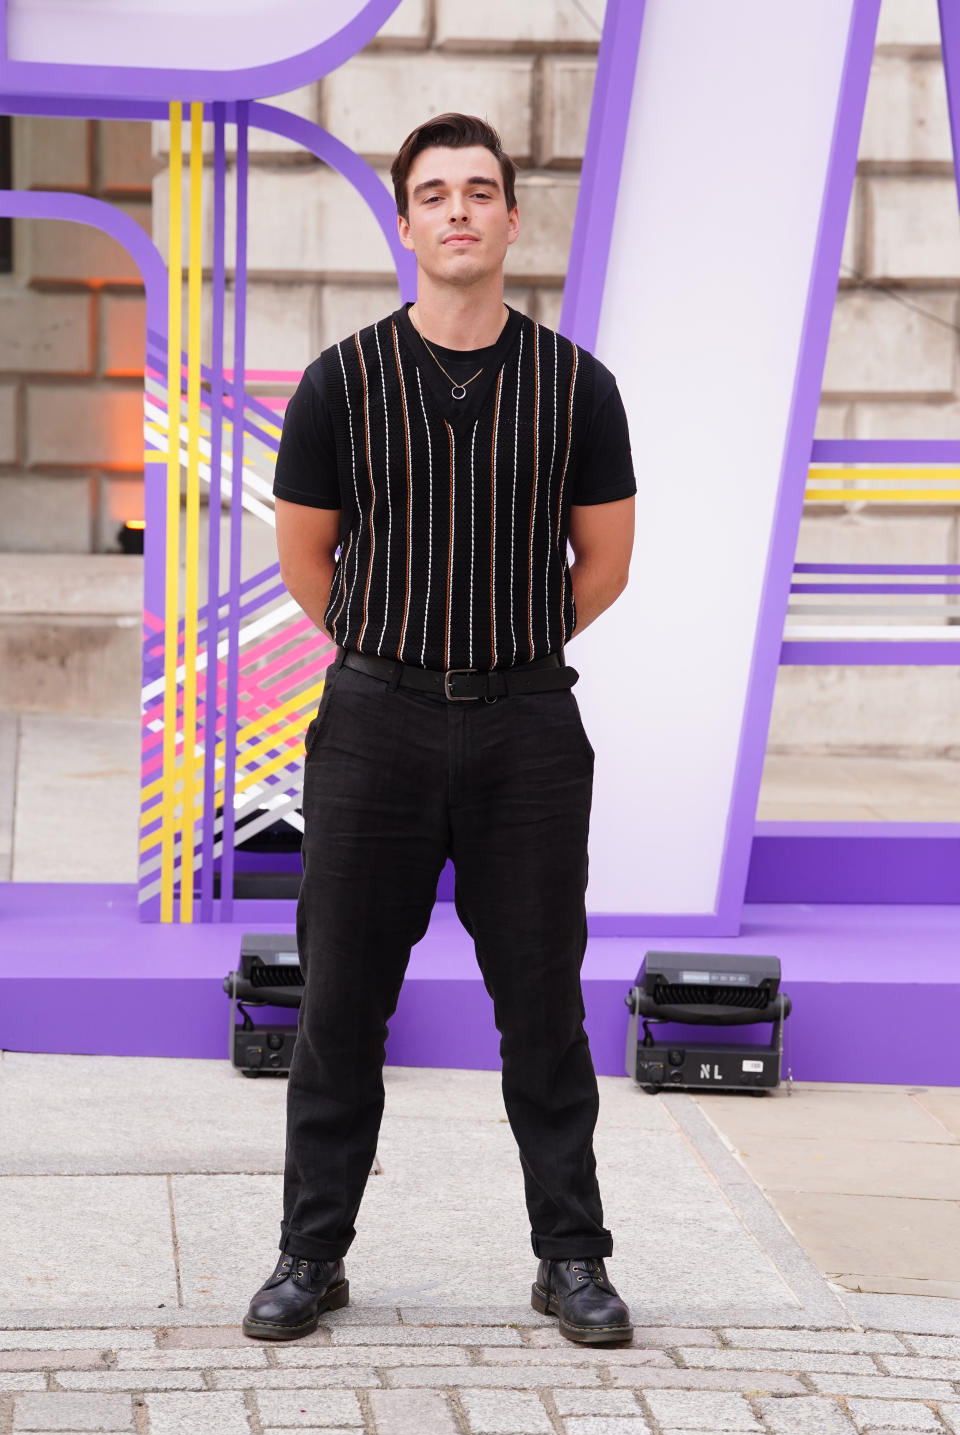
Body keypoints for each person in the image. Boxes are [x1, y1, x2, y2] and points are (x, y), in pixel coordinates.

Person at [243, 112, 637, 1347]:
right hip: (373, 724)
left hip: (526, 729)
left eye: (481, 190)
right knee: (341, 1005)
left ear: (513, 219)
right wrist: (403, 650)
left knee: (544, 1007)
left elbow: (606, 563)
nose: (458, 210)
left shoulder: (578, 385)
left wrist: (501, 646)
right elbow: (308, 560)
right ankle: (312, 1256)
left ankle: (572, 1257)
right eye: (434, 193)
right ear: (407, 223)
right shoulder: (341, 381)